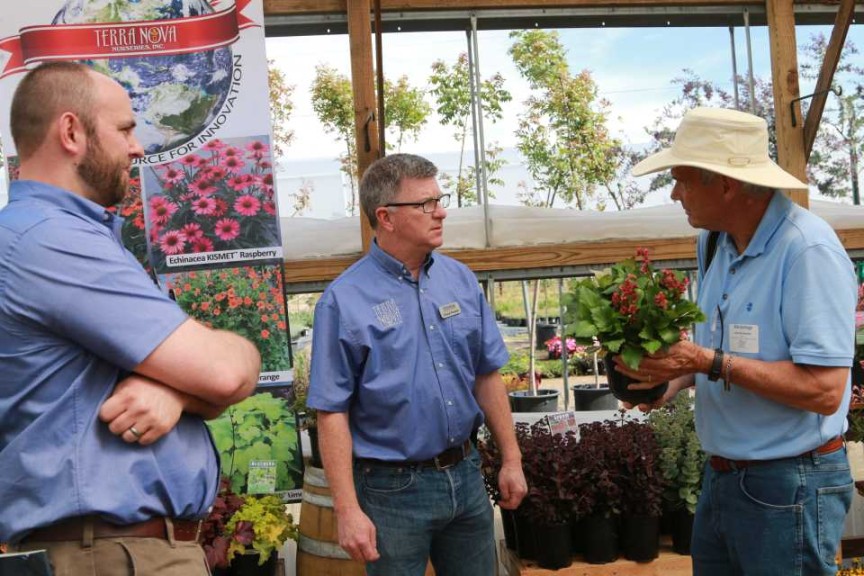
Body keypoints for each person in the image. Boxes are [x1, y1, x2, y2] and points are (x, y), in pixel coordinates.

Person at [0, 62, 261, 575]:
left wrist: (176, 392)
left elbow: (214, 380)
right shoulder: (51, 242)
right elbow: (228, 373)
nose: (137, 146)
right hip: (111, 556)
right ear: (71, 131)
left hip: (116, 551)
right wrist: (202, 379)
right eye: (124, 129)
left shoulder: (65, 236)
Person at [622, 107, 857, 576]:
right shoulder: (716, 244)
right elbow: (721, 352)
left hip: (789, 484)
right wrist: (664, 380)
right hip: (725, 477)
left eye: (684, 179)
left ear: (725, 184)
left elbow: (825, 391)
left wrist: (707, 361)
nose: (674, 193)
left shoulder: (806, 251)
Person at [307, 153, 527, 576]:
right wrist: (347, 509)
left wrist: (511, 459)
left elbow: (486, 374)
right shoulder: (343, 300)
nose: (440, 211)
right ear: (386, 217)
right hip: (391, 491)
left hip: (465, 473)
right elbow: (331, 410)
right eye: (425, 204)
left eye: (439, 199)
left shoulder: (459, 279)